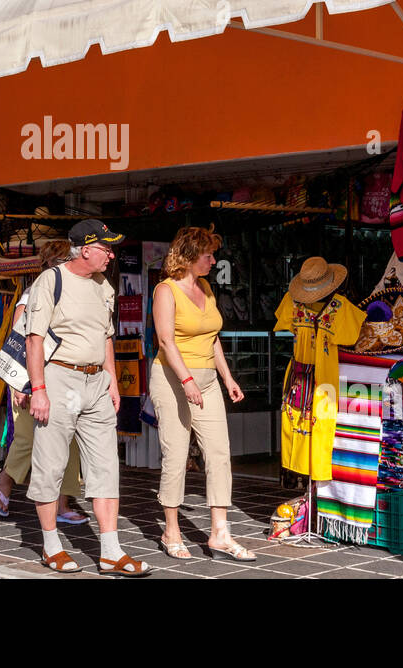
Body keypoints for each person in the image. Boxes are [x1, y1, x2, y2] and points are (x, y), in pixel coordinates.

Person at [26, 219, 148, 576]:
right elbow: (34, 340)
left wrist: (112, 379)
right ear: (86, 249)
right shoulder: (52, 281)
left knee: (107, 467)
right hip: (58, 378)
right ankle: (51, 546)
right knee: (51, 465)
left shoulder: (103, 285)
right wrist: (38, 389)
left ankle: (111, 551)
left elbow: (106, 336)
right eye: (107, 248)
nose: (112, 254)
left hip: (96, 382)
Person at [149, 226, 254, 562]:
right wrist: (187, 381)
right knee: (177, 454)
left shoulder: (206, 287)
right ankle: (171, 530)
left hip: (207, 379)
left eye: (212, 253)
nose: (212, 259)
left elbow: (212, 337)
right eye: (207, 254)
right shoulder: (165, 291)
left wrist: (227, 378)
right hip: (172, 378)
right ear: (189, 255)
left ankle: (220, 533)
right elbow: (166, 341)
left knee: (220, 453)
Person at [0, 239, 86, 524]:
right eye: (62, 261)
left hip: (63, 377)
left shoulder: (74, 295)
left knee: (69, 441)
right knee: (28, 437)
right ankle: (4, 481)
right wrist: (22, 384)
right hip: (30, 377)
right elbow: (18, 344)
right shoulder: (32, 295)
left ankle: (63, 502)